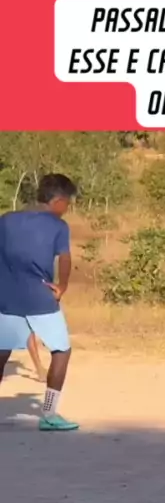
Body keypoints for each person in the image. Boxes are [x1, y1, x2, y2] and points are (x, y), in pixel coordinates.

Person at [0, 173, 79, 431]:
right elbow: (64, 258)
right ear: (57, 201)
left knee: (2, 352)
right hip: (40, 297)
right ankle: (49, 414)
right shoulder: (58, 226)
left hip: (7, 297)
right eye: (67, 203)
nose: (67, 208)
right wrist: (62, 286)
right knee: (61, 350)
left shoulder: (6, 220)